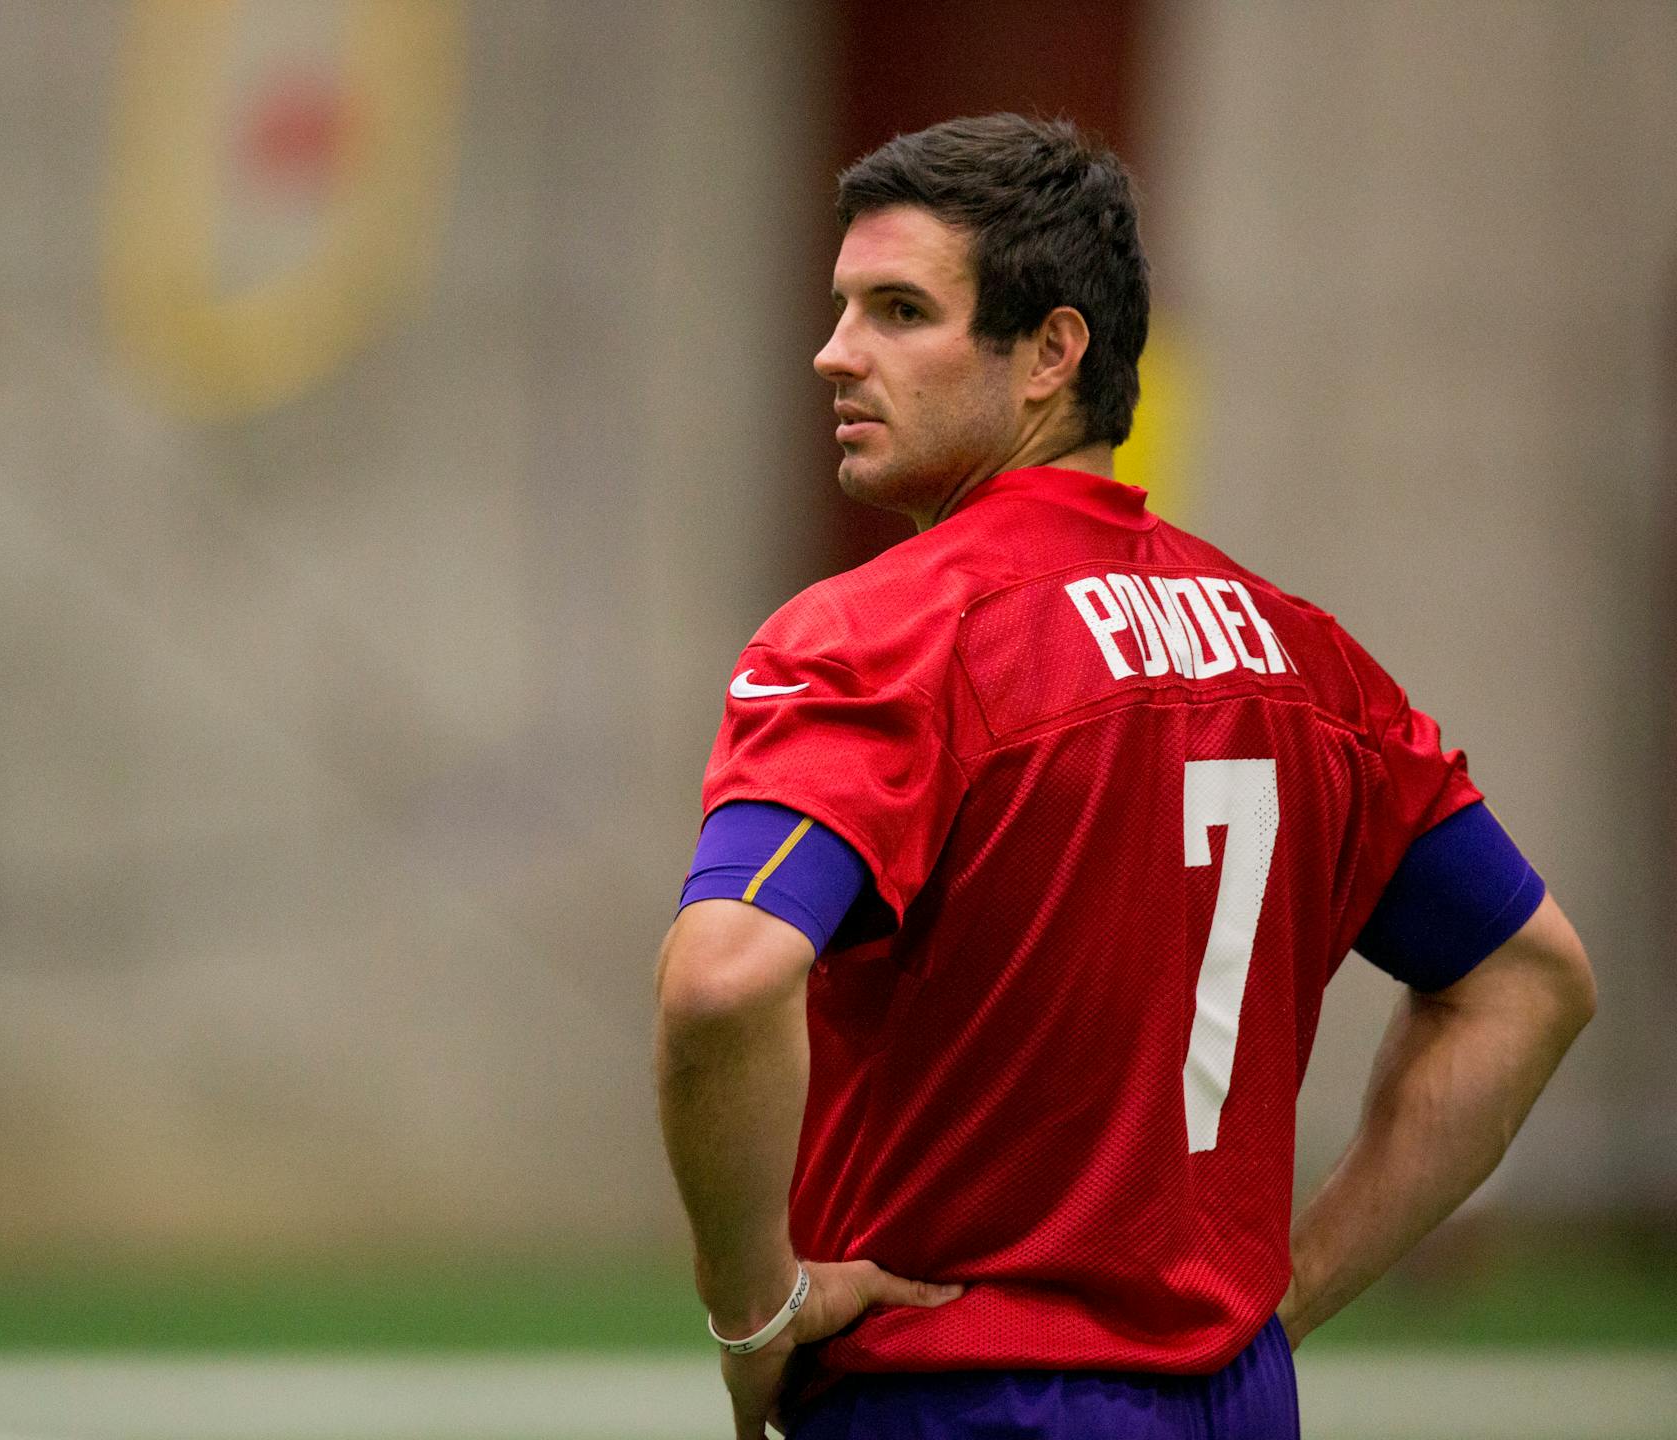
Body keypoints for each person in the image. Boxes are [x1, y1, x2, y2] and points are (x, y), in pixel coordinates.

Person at [652, 114, 1596, 1440]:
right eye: (842, 306)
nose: (835, 352)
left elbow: (724, 978)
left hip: (956, 1396)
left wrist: (752, 1313)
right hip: (1233, 1402)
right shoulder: (1304, 659)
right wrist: (1287, 1299)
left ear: (1051, 352)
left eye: (899, 310)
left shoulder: (882, 634)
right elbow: (1533, 979)